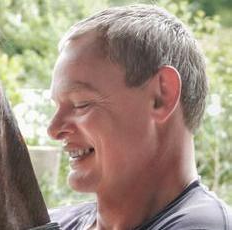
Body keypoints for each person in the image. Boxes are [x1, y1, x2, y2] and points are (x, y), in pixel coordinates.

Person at [47, 4, 232, 230]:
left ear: (160, 96)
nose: (54, 129)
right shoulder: (55, 221)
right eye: (56, 106)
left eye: (81, 104)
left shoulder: (204, 225)